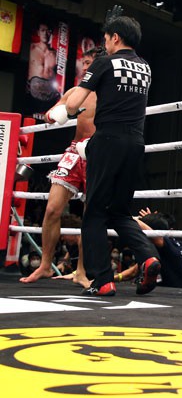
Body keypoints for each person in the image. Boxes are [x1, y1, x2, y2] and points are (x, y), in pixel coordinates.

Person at [59, 6, 160, 296]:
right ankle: (148, 256)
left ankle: (102, 280)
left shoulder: (105, 63)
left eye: (106, 38)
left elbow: (72, 104)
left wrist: (68, 110)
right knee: (119, 212)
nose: (104, 44)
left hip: (107, 140)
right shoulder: (145, 67)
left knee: (94, 213)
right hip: (135, 143)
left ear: (115, 38)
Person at [19, 47, 104, 288]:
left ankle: (81, 271)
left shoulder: (109, 93)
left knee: (90, 215)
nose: (84, 67)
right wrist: (58, 114)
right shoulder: (75, 92)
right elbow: (50, 114)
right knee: (52, 209)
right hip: (74, 150)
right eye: (83, 62)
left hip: (98, 153)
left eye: (88, 62)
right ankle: (45, 265)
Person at [114, 210, 182, 290]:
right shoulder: (171, 244)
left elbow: (155, 236)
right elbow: (134, 271)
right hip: (178, 292)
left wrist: (127, 218)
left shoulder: (168, 246)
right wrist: (150, 219)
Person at [27, 23, 59, 106]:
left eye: (48, 31)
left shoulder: (56, 54)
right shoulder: (31, 48)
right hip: (32, 91)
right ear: (38, 32)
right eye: (43, 30)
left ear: (51, 33)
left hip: (49, 93)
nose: (45, 33)